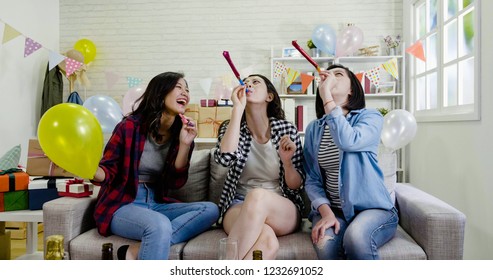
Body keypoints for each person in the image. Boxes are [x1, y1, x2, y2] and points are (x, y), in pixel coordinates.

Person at [91, 72, 219, 260]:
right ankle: (156, 236)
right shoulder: (129, 127)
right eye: (179, 87)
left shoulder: (182, 133)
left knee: (210, 209)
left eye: (187, 89)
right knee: (159, 225)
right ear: (160, 93)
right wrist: (89, 170)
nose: (185, 93)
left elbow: (176, 182)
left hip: (156, 203)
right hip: (124, 203)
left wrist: (185, 144)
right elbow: (108, 170)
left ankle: (138, 249)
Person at [303, 64, 398, 260]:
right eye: (328, 75)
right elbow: (312, 179)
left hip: (373, 209)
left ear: (352, 89)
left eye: (338, 74)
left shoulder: (371, 117)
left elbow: (349, 141)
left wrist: (327, 98)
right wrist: (326, 213)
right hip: (334, 211)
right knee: (325, 244)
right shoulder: (314, 129)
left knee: (356, 237)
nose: (331, 77)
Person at [214, 74, 305, 260]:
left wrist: (287, 161)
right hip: (239, 204)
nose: (249, 84)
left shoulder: (286, 129)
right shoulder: (230, 127)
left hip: (281, 204)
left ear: (269, 96)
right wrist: (237, 110)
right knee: (267, 243)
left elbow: (296, 186)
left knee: (258, 195)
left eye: (255, 82)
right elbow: (224, 159)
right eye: (246, 82)